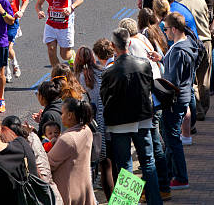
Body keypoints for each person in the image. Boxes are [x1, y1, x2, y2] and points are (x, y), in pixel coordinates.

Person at [100, 28, 163, 205]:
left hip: (119, 124)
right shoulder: (144, 64)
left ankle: (128, 203)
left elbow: (104, 97)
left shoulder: (109, 72)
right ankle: (155, 201)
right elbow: (150, 88)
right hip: (143, 119)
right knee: (148, 162)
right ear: (129, 43)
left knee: (125, 167)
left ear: (113, 46)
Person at [153, 12, 198, 191]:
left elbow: (172, 80)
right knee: (172, 138)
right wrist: (163, 58)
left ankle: (181, 177)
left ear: (174, 29)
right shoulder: (187, 44)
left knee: (172, 139)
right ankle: (171, 173)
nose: (165, 33)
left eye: (166, 29)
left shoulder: (178, 50)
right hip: (184, 95)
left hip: (175, 100)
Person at [74, 46, 114, 199]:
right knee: (121, 162)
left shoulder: (80, 77)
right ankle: (126, 201)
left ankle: (112, 200)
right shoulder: (103, 71)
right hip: (113, 122)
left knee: (105, 165)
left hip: (98, 126)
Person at [47, 98, 95, 205]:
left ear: (70, 115)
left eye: (62, 113)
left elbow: (48, 164)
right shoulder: (86, 130)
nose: (61, 116)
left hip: (68, 192)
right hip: (83, 188)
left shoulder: (67, 139)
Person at [176, 0, 212, 119]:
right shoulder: (201, 0)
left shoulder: (179, 3)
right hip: (205, 41)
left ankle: (198, 110)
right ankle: (204, 108)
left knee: (191, 79)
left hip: (191, 44)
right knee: (204, 79)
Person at [35, 0, 84, 67]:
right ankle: (59, 74)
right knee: (51, 50)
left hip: (65, 25)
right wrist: (39, 11)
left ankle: (72, 56)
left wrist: (71, 8)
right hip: (51, 24)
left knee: (64, 55)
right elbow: (38, 4)